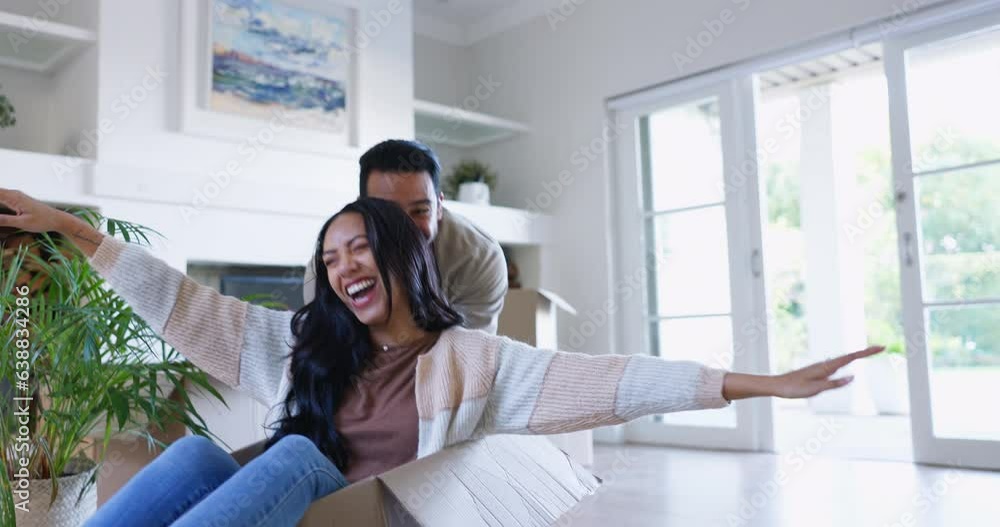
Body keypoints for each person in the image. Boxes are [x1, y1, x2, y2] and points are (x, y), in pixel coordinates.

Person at [0, 188, 884, 526]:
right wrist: (73, 230)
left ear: (402, 258)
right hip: (272, 496)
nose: (345, 267)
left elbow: (610, 380)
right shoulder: (303, 343)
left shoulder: (472, 361)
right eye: (331, 256)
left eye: (363, 249)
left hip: (354, 509)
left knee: (302, 450)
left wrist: (757, 383)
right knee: (194, 450)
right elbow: (183, 303)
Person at [303, 139, 508, 333]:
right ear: (361, 208)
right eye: (386, 211)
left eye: (420, 211)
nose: (404, 228)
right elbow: (326, 349)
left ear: (438, 207)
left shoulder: (478, 257)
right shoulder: (329, 269)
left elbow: (469, 357)